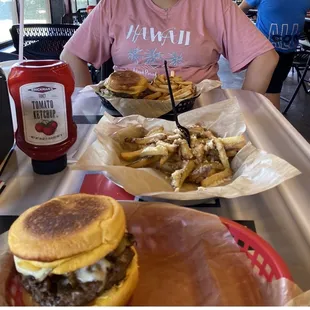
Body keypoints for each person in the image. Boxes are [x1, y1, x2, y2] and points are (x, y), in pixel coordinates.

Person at [61, 0, 279, 97]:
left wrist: (244, 110)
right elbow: (71, 55)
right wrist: (89, 103)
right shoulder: (115, 4)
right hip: (126, 114)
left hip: (199, 115)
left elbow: (266, 57)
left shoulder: (216, 5)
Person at [240, 0, 310, 109]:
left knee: (257, 94)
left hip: (266, 51)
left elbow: (239, 10)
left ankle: (262, 123)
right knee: (271, 90)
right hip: (283, 51)